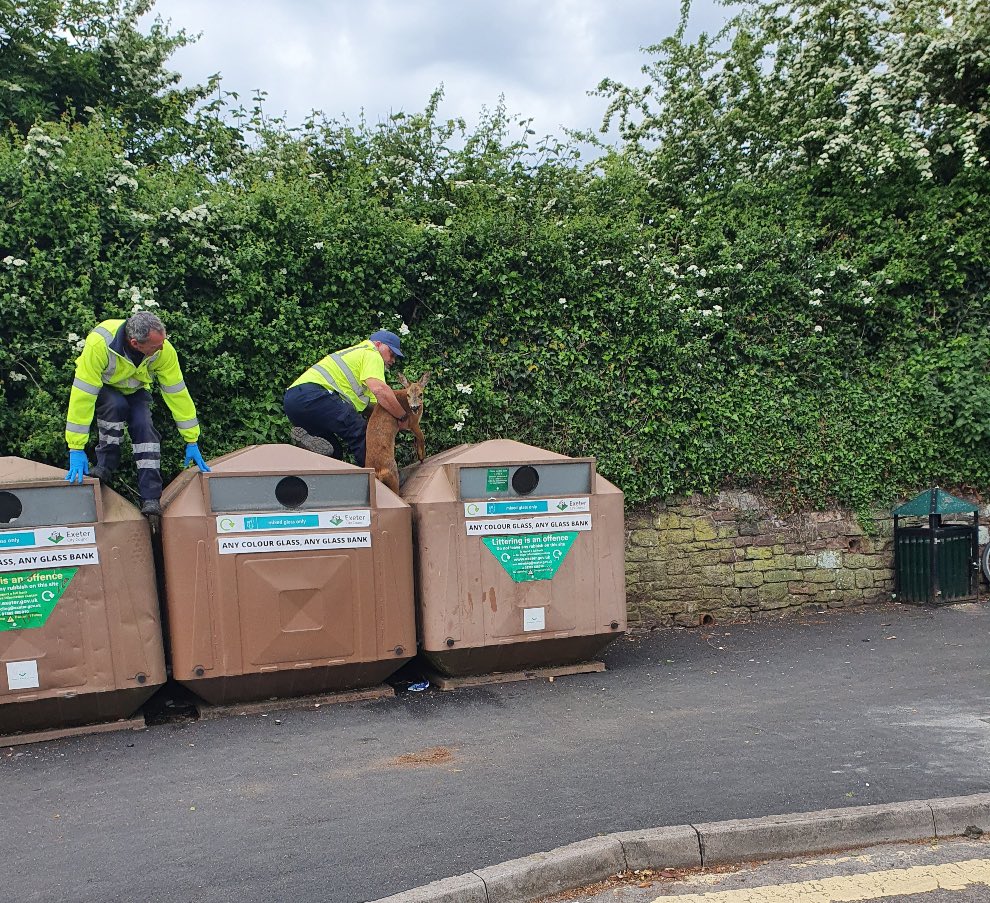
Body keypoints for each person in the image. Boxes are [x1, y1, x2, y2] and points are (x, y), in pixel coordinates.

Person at [64, 311, 210, 515]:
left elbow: (177, 393)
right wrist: (75, 447)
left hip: (135, 391)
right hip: (106, 389)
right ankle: (105, 465)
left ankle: (150, 498)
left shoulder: (164, 350)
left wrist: (191, 438)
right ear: (135, 343)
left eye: (163, 342)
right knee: (116, 405)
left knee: (145, 427)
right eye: (155, 346)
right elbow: (83, 395)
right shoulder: (100, 343)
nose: (161, 348)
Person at [284, 330, 410, 466]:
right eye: (391, 353)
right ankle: (376, 481)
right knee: (361, 433)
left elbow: (375, 408)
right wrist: (402, 417)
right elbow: (380, 390)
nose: (393, 360)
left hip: (293, 402)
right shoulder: (372, 353)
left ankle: (312, 451)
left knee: (333, 451)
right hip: (314, 394)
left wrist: (390, 419)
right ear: (378, 344)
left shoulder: (357, 361)